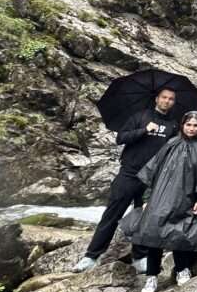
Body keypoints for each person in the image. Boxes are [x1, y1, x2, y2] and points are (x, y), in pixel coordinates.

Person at [74, 87, 178, 273]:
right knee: (112, 214)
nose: (167, 101)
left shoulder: (172, 125)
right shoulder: (140, 116)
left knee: (144, 218)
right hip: (129, 174)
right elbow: (121, 138)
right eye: (164, 97)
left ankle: (139, 257)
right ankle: (91, 256)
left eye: (171, 99)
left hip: (152, 179)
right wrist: (143, 130)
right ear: (156, 99)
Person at [123, 111, 197, 292]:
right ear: (182, 125)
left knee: (181, 234)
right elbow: (153, 171)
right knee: (153, 235)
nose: (191, 128)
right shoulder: (171, 144)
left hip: (187, 199)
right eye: (188, 125)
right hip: (161, 198)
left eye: (196, 125)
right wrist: (146, 199)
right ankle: (152, 277)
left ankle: (181, 269)